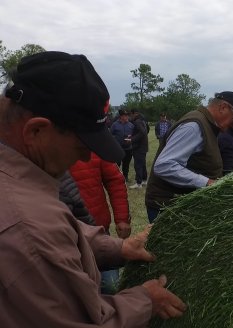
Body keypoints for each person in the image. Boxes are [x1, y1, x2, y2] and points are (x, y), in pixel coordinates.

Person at [0, 51, 186, 327]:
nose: (87, 158)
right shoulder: (27, 226)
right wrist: (145, 299)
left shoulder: (25, 173)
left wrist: (120, 248)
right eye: (81, 146)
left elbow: (58, 236)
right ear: (36, 131)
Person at [145, 91, 233, 222]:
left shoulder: (208, 125)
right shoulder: (194, 126)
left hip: (178, 207)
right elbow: (164, 165)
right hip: (167, 208)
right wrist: (206, 182)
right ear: (223, 107)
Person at [70, 152, 132, 293]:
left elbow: (115, 180)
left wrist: (122, 218)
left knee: (110, 286)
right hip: (63, 235)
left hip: (98, 230)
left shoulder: (93, 143)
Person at [110, 109, 134, 182]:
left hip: (128, 148)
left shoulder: (131, 125)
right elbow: (110, 134)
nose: (127, 117)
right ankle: (116, 178)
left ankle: (125, 177)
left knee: (126, 164)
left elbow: (134, 135)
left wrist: (131, 136)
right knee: (117, 164)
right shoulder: (115, 125)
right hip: (118, 148)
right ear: (121, 116)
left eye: (127, 115)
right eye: (125, 115)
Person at [128, 109, 149, 189]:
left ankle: (138, 183)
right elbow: (145, 131)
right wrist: (132, 136)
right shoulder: (142, 120)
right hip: (143, 146)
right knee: (142, 164)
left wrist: (132, 139)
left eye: (131, 114)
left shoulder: (137, 121)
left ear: (135, 114)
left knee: (138, 165)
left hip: (139, 147)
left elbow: (142, 132)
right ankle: (144, 180)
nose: (130, 116)